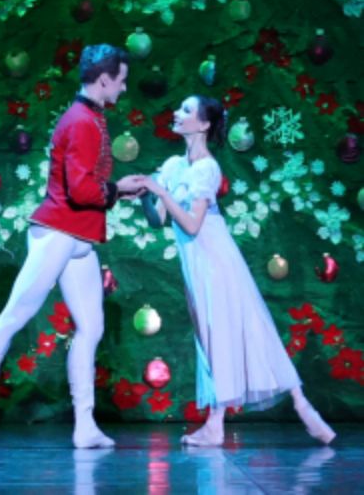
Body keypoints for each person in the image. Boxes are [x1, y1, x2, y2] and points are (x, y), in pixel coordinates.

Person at [0, 44, 145, 449]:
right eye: (121, 81)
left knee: (92, 327)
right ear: (103, 79)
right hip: (58, 232)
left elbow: (87, 185)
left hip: (79, 237)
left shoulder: (91, 117)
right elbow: (80, 189)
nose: (124, 88)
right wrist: (117, 189)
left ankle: (85, 424)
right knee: (14, 316)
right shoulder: (81, 121)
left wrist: (119, 192)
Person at [140, 95, 336, 446]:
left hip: (215, 258)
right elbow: (159, 220)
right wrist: (145, 195)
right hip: (195, 263)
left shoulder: (207, 169)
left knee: (239, 330)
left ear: (203, 124)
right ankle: (217, 424)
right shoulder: (173, 166)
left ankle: (300, 405)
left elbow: (193, 225)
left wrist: (160, 193)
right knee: (210, 338)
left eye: (186, 110)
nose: (177, 113)